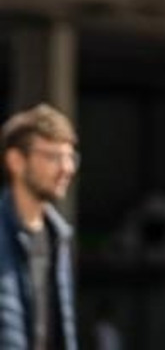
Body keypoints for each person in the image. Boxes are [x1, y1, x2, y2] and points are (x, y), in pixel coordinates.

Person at [0, 102, 79, 350]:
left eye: (70, 157)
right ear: (16, 161)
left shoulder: (58, 235)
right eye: (53, 157)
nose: (67, 168)